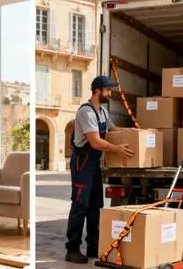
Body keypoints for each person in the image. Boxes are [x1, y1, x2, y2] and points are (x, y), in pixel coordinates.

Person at [65, 75, 135, 264]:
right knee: (80, 205)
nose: (110, 93)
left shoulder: (102, 111)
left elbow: (113, 129)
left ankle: (93, 246)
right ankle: (72, 248)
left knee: (96, 205)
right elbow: (95, 142)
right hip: (82, 163)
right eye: (107, 90)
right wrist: (117, 149)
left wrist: (136, 133)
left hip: (94, 164)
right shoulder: (86, 112)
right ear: (98, 91)